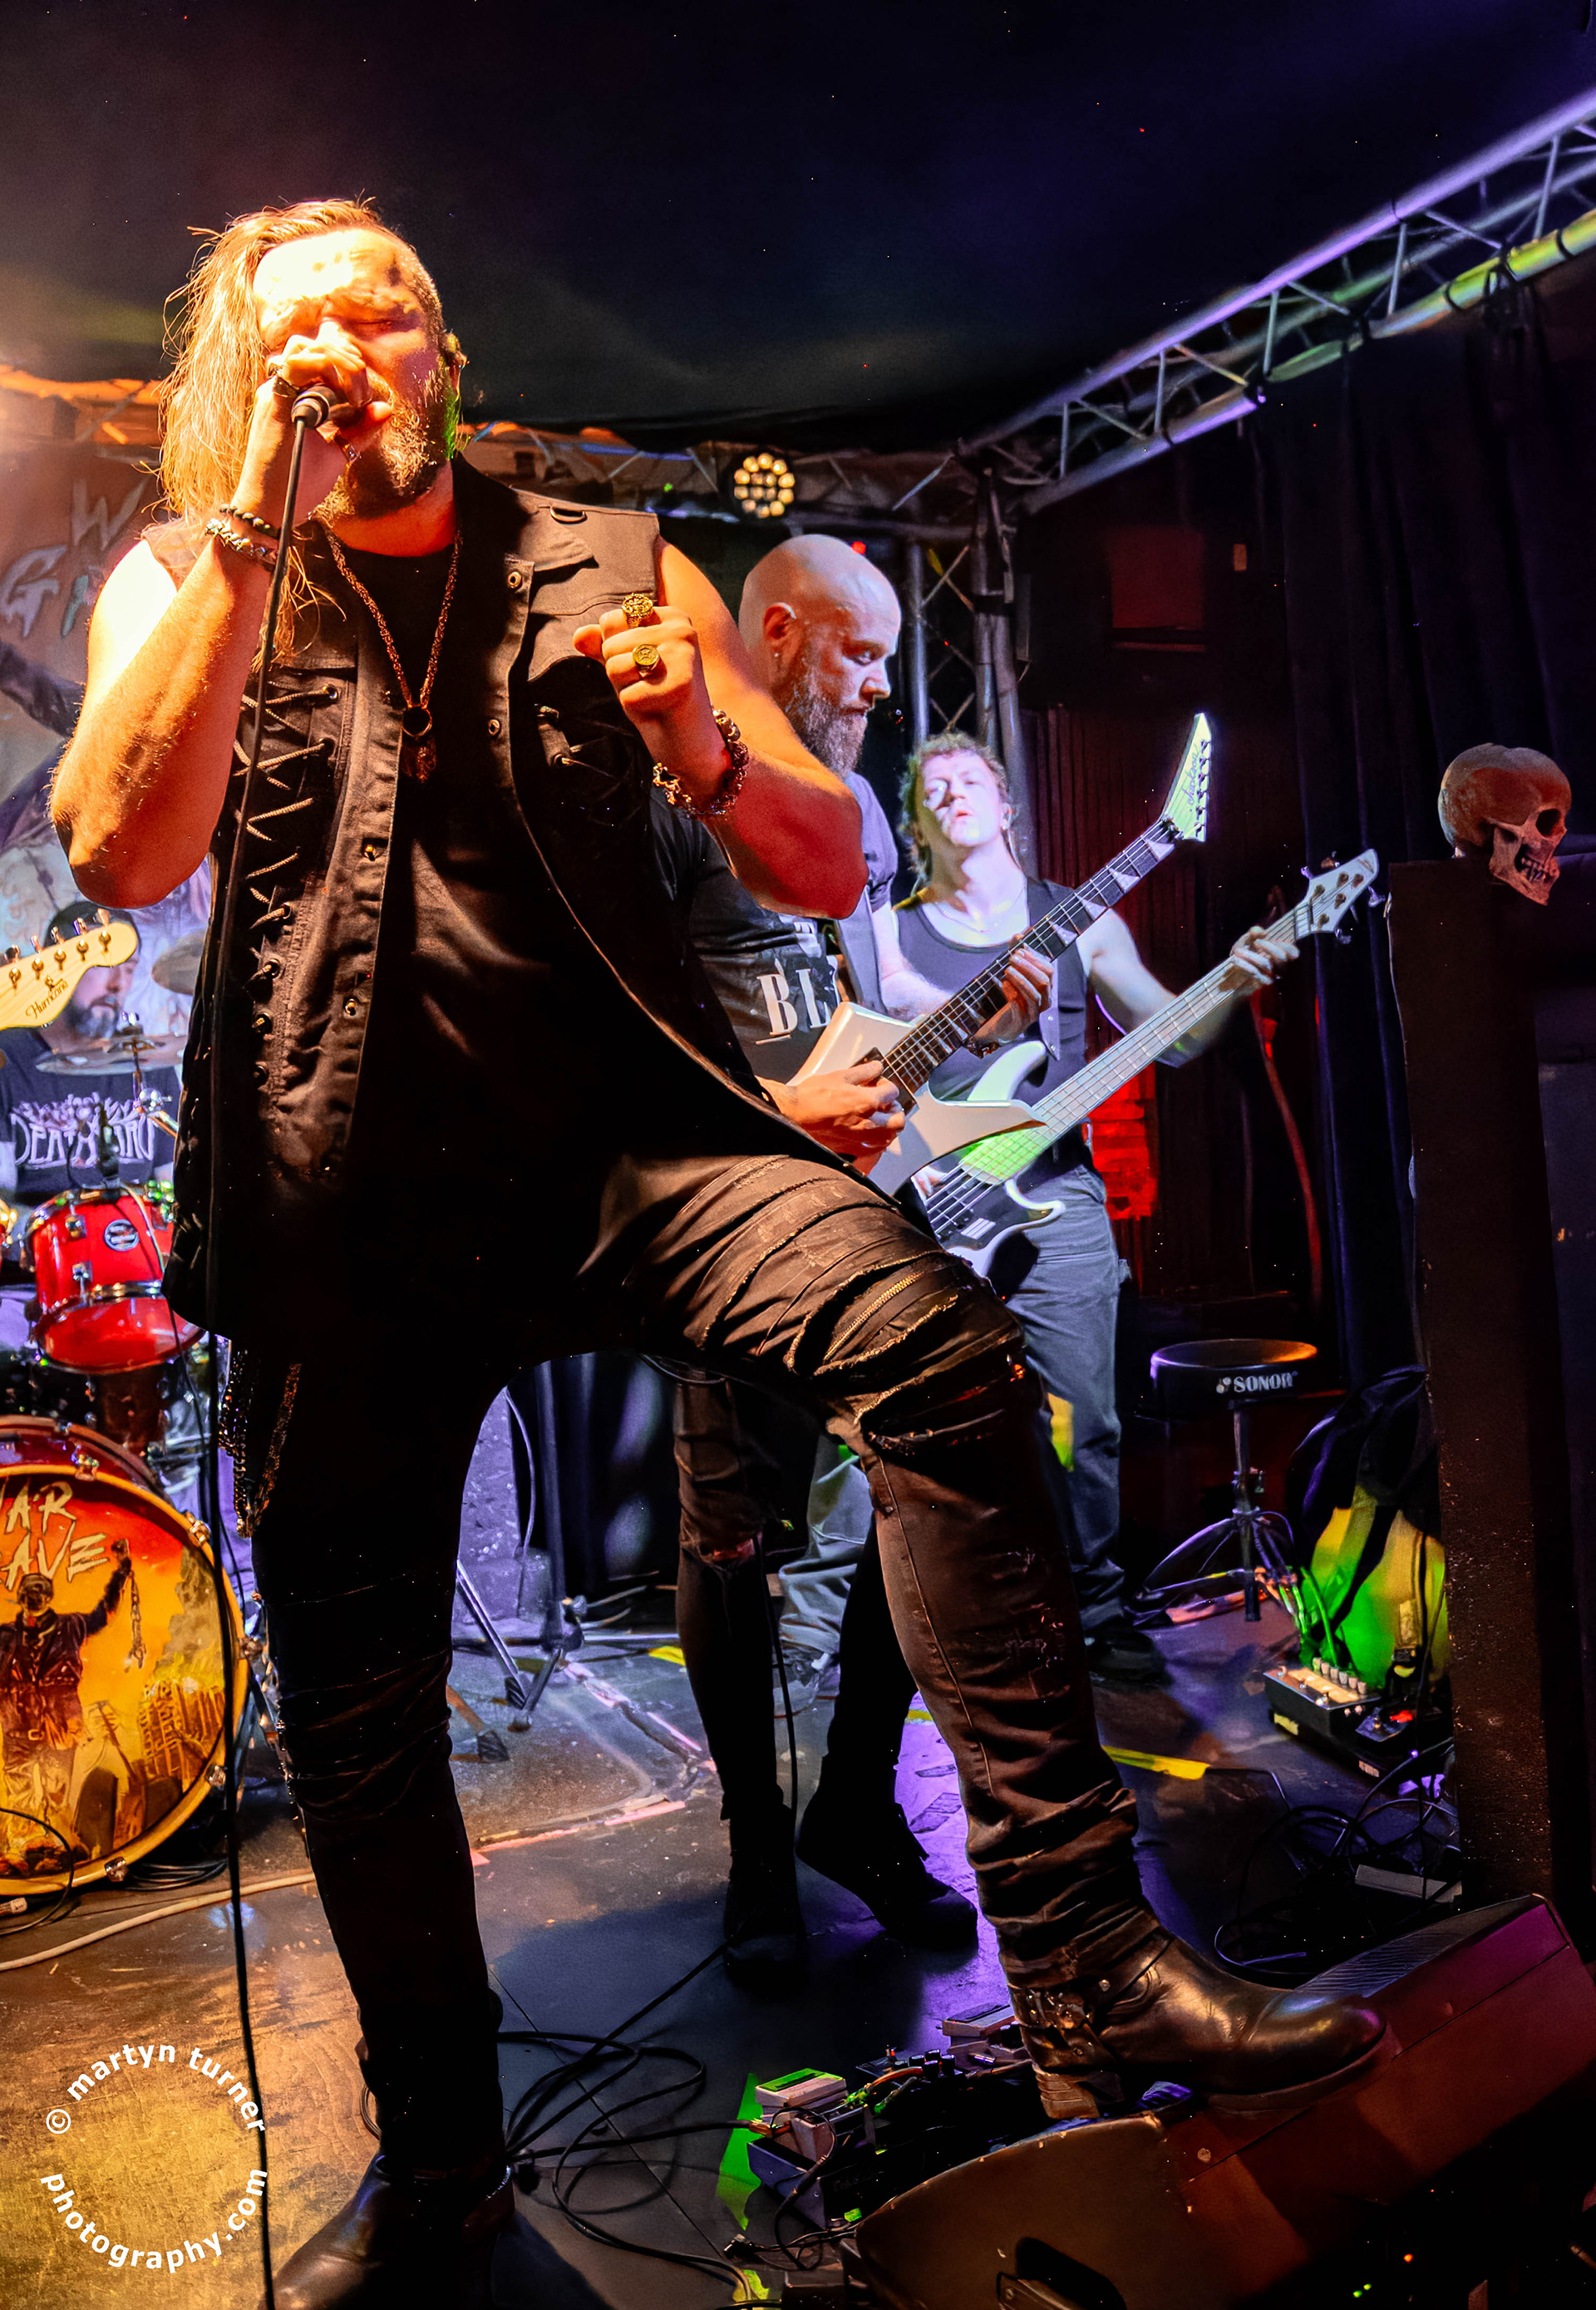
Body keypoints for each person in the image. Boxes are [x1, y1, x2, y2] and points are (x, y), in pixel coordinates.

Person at [51, 200, 1382, 2310]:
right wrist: (248, 534)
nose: (342, 347)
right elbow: (121, 850)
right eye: (296, 325)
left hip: (636, 1149)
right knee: (364, 1690)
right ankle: (445, 2159)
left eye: (379, 308)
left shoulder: (611, 556)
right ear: (243, 371)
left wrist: (697, 738)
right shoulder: (192, 569)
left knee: (934, 1349)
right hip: (346, 1202)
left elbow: (828, 857)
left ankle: (1084, 1956)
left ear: (440, 352)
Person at [659, 534, 1055, 1981]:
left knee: (931, 1468)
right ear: (775, 632)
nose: (885, 686)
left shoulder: (858, 811)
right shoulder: (670, 788)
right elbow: (626, 1037)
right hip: (720, 1207)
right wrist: (774, 1112)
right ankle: (756, 1847)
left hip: (852, 1204)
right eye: (862, 653)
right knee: (729, 1540)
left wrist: (971, 1023)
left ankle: (858, 1805)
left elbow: (863, 1020)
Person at [894, 731, 1297, 1680]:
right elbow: (869, 1078)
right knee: (909, 1423)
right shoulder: (886, 934)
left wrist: (1231, 981)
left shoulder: (1079, 920)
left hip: (1054, 1197)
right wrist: (903, 1164)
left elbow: (1176, 1037)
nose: (952, 793)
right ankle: (901, 1623)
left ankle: (1099, 1612)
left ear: (1006, 806)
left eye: (969, 779)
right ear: (916, 825)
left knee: (1085, 1421)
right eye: (932, 789)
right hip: (925, 1200)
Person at [0, 903, 180, 1355]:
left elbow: (173, 1193)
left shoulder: (149, 1063)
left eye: (130, 968)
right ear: (56, 967)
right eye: (104, 965)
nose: (118, 984)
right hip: (32, 1289)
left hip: (143, 1285)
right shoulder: (6, 1059)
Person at [0, 1536, 131, 1857]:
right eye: (29, 1592)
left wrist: (120, 1574)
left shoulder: (70, 1626)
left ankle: (55, 1850)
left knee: (57, 1794)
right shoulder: (5, 1636)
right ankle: (20, 1853)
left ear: (48, 1596)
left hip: (60, 1727)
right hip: (16, 1728)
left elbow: (103, 1614)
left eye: (39, 1591)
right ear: (22, 1598)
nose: (35, 1597)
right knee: (19, 1797)